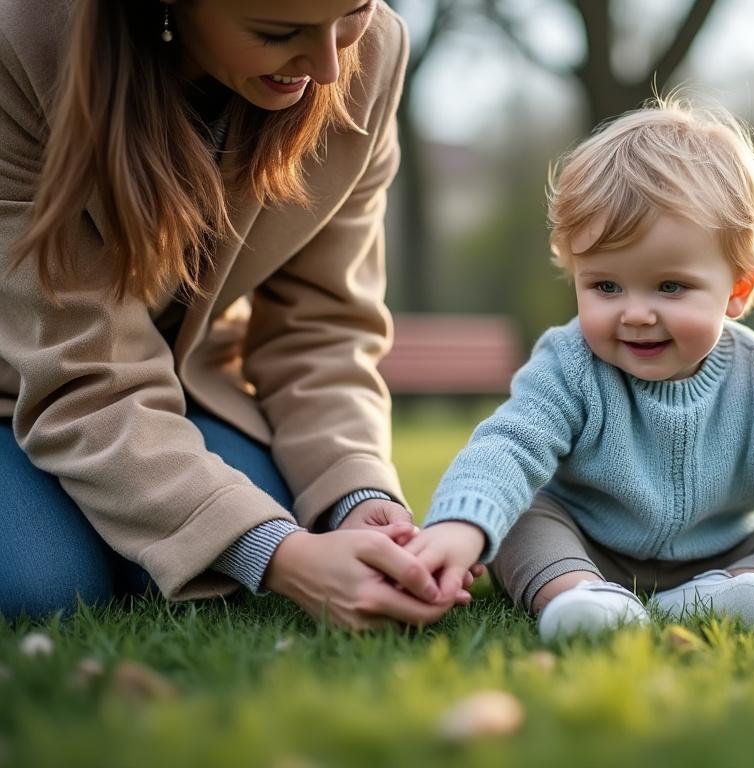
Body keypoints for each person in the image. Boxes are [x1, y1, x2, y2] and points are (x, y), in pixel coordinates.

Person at [0, 0, 476, 628]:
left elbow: (322, 329)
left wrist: (357, 494)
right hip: (24, 383)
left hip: (192, 389)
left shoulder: (372, 54)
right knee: (42, 586)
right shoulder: (20, 43)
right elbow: (75, 369)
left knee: (255, 533)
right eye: (278, 32)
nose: (330, 68)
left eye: (354, 11)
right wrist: (280, 554)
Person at [407, 98, 754, 641]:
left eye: (670, 286)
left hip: (722, 553)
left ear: (737, 288)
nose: (636, 314)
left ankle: (735, 594)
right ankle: (580, 597)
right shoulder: (569, 365)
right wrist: (461, 523)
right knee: (523, 520)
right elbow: (509, 445)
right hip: (585, 546)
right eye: (606, 286)